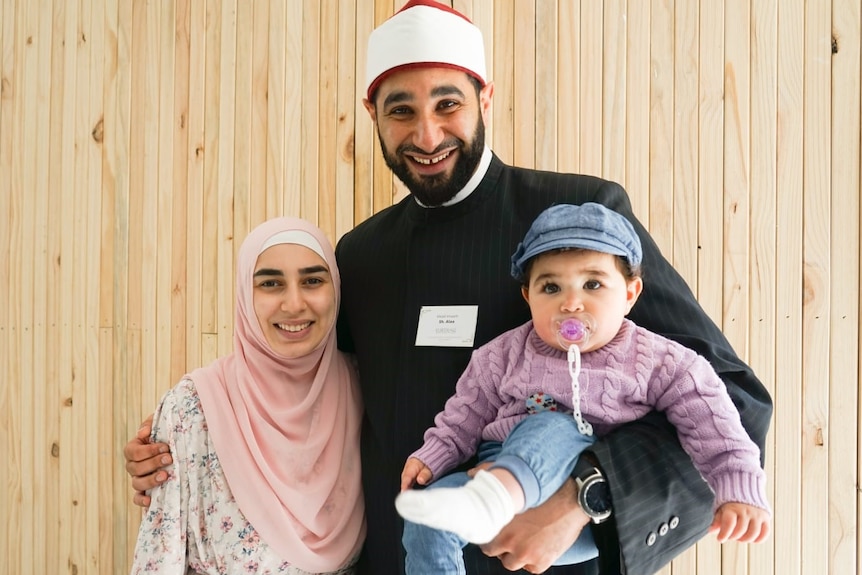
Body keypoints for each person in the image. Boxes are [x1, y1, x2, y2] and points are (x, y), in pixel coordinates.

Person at [124, 1, 773, 574]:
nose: (426, 135)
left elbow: (731, 399)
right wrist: (187, 442)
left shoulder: (582, 215)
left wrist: (584, 496)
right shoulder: (362, 254)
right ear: (373, 115)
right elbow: (308, 389)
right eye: (401, 110)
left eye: (448, 104)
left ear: (485, 100)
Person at [393, 203, 771, 575]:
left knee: (553, 425)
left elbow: (714, 426)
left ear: (630, 293)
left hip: (584, 509)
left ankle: (497, 495)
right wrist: (433, 457)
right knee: (429, 515)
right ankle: (482, 506)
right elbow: (463, 416)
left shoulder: (662, 361)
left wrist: (738, 489)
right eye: (551, 287)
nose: (571, 303)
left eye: (592, 284)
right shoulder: (500, 355)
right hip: (491, 469)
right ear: (528, 297)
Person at [128, 217, 365, 575]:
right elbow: (159, 562)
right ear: (243, 293)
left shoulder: (366, 391)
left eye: (313, 280)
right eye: (270, 283)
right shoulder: (193, 408)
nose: (294, 303)